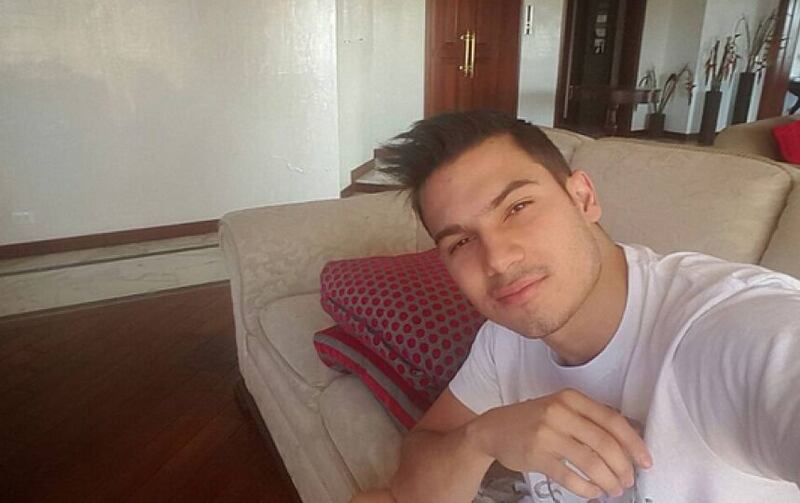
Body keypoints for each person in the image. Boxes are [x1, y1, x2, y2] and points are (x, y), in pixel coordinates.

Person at [351, 110, 800, 503]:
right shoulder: (505, 338)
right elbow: (412, 484)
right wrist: (481, 438)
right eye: (461, 242)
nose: (498, 259)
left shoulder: (726, 327)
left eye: (517, 207)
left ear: (583, 198)